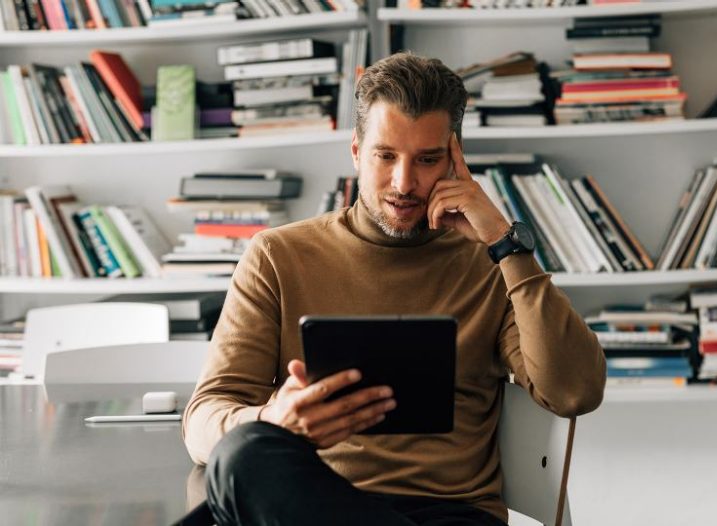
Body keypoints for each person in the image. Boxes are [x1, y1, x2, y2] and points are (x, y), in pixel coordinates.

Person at [181, 52, 607, 526]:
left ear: (455, 160)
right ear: (357, 152)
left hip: (449, 515)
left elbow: (575, 392)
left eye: (427, 160)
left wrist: (507, 246)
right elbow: (203, 423)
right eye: (386, 156)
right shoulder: (277, 257)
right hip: (309, 503)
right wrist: (272, 420)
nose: (404, 183)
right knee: (244, 453)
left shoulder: (492, 263)